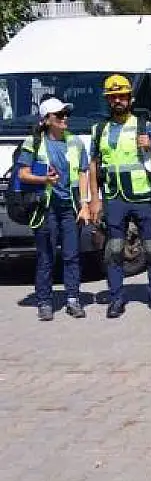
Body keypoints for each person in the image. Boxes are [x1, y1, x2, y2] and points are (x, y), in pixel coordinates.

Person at [88, 75, 151, 318]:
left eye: (122, 96)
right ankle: (116, 298)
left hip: (142, 195)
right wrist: (94, 199)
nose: (117, 101)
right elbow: (94, 165)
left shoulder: (146, 126)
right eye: (113, 97)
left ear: (130, 98)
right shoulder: (99, 129)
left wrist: (150, 147)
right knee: (114, 249)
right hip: (114, 197)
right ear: (108, 101)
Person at [18, 98, 92, 321]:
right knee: (46, 256)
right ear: (47, 120)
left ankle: (73, 300)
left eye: (65, 114)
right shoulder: (34, 143)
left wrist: (85, 204)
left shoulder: (75, 142)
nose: (64, 118)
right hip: (44, 208)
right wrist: (43, 179)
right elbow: (22, 174)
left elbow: (83, 172)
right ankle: (44, 302)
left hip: (68, 208)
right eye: (59, 115)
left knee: (72, 255)